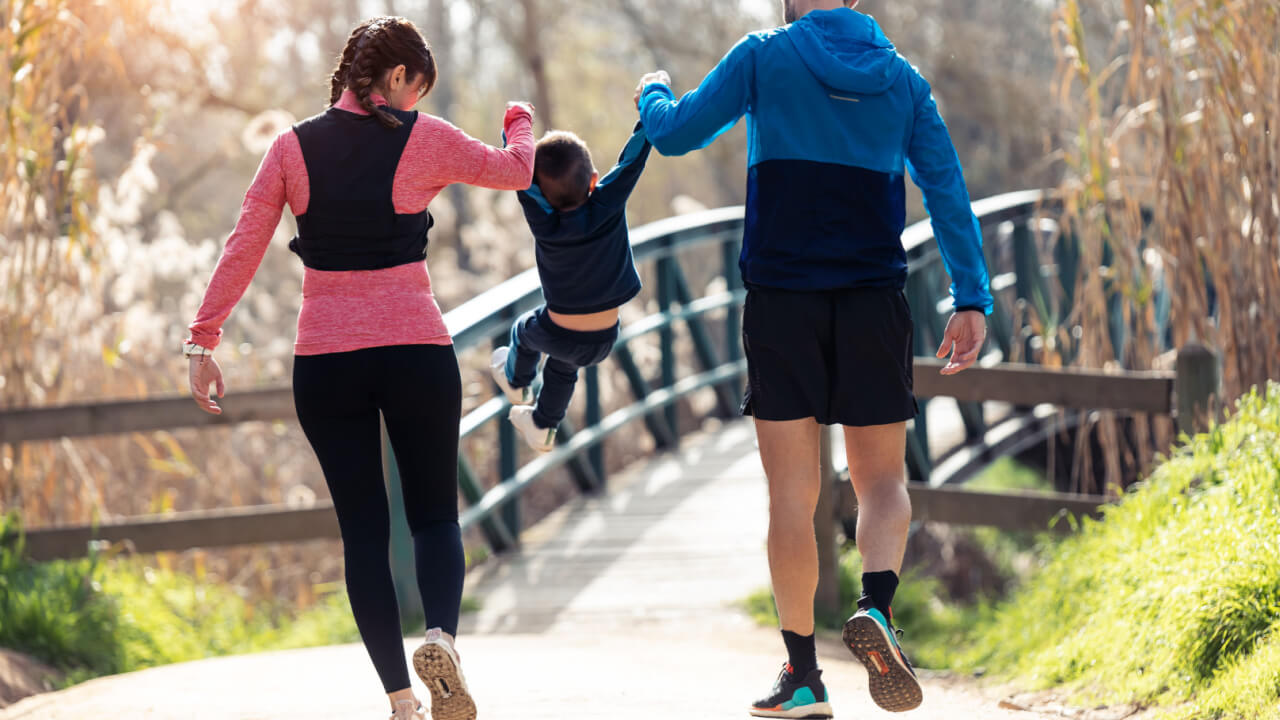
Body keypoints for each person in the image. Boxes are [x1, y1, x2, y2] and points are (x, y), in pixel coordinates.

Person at [635, 1, 991, 715]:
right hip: (872, 304)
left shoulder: (763, 56)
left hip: (782, 304)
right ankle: (877, 606)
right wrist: (971, 294)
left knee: (792, 498)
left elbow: (673, 135)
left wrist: (650, 90)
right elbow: (946, 189)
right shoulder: (903, 81)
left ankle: (803, 675)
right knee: (883, 479)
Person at [184, 17, 535, 720]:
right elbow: (516, 170)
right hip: (414, 350)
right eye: (415, 88)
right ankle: (441, 639)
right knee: (435, 512)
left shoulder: (290, 148)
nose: (414, 102)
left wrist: (203, 341)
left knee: (364, 531)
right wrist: (519, 119)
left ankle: (401, 702)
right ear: (397, 77)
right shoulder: (424, 137)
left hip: (327, 361)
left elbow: (245, 243)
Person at [488, 121, 652, 452]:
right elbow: (632, 160)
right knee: (563, 365)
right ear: (593, 180)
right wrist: (649, 102)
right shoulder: (608, 203)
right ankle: (542, 423)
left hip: (558, 333)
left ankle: (517, 384)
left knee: (523, 331)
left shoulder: (544, 221)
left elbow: (522, 173)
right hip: (605, 338)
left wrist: (515, 124)